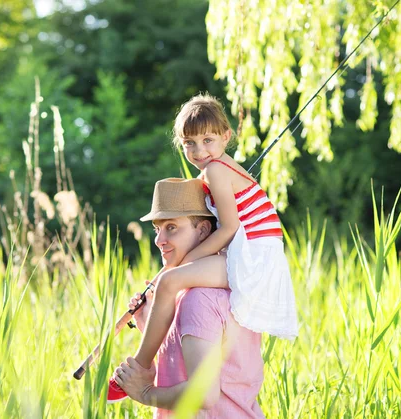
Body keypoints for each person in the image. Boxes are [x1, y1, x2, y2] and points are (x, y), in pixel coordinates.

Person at [108, 93, 298, 402]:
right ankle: (145, 351)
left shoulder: (216, 171)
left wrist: (183, 264)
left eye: (208, 140)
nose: (199, 151)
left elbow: (230, 227)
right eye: (190, 144)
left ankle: (142, 366)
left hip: (253, 256)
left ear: (226, 136)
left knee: (170, 279)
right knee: (171, 282)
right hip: (247, 251)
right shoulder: (217, 169)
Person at [113, 178, 266, 417]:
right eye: (157, 229)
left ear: (203, 230)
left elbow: (202, 393)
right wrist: (149, 325)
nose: (159, 239)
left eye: (171, 227)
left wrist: (145, 393)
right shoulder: (192, 291)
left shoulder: (200, 298)